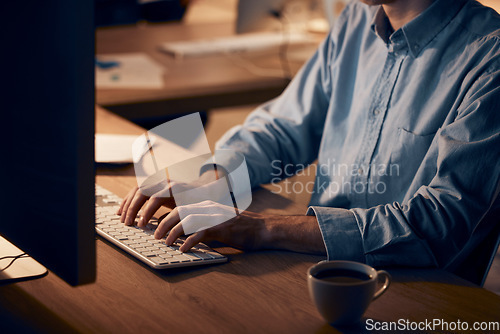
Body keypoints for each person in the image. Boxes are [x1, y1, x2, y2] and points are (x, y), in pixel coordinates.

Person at [118, 0, 500, 271]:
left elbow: (439, 223)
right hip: (316, 265)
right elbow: (284, 127)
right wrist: (210, 178)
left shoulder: (490, 57)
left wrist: (264, 227)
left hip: (417, 289)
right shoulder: (356, 19)